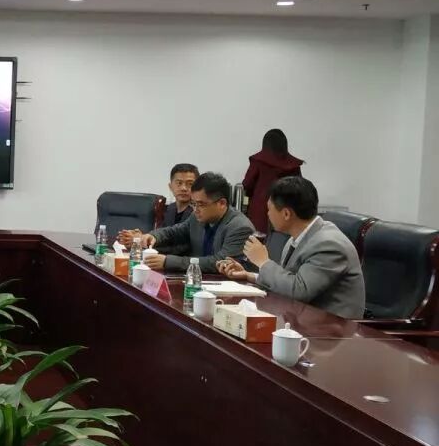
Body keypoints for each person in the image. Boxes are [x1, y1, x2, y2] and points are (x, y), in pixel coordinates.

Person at [217, 177, 365, 318]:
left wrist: (263, 262)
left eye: (269, 209)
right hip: (300, 319)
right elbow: (287, 282)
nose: (267, 214)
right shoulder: (296, 238)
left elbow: (299, 291)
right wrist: (249, 276)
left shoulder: (329, 245)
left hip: (331, 329)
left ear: (286, 214)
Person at [120, 172, 254, 273]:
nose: (195, 210)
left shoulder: (240, 227)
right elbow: (175, 231)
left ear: (222, 203)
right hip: (196, 280)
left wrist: (168, 261)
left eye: (201, 204)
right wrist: (152, 236)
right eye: (193, 204)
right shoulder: (197, 217)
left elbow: (218, 262)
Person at [243, 128, 303, 233]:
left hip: (260, 212)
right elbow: (300, 188)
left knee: (259, 239)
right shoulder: (293, 165)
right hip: (286, 212)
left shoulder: (259, 161)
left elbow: (247, 184)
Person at [160, 163, 199, 256]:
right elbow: (162, 236)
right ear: (170, 187)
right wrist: (144, 238)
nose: (184, 188)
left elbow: (186, 247)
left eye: (190, 184)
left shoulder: (198, 212)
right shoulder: (169, 209)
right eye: (179, 183)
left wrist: (151, 247)